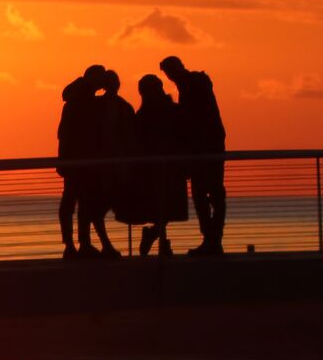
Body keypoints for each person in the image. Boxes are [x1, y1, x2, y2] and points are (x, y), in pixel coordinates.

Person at [162, 56, 227, 253]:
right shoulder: (196, 82)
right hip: (212, 145)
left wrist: (173, 109)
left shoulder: (190, 85)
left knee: (203, 194)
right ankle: (213, 239)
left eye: (170, 72)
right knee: (214, 193)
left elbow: (191, 118)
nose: (171, 76)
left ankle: (211, 239)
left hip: (203, 148)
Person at [127, 72, 189, 254]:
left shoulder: (146, 114)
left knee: (163, 205)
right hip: (163, 165)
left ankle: (156, 236)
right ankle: (160, 240)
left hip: (160, 165)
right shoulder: (170, 110)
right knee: (164, 205)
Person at [55, 69, 103, 256]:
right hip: (80, 160)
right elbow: (70, 133)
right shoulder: (83, 102)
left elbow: (62, 133)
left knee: (75, 201)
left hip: (74, 159)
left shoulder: (75, 101)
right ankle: (80, 243)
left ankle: (75, 244)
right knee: (79, 201)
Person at [86, 67, 134, 255]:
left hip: (112, 165)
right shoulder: (117, 106)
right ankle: (105, 244)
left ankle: (105, 244)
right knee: (100, 206)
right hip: (108, 166)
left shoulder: (116, 106)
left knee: (102, 206)